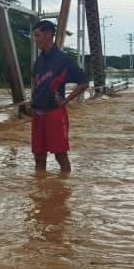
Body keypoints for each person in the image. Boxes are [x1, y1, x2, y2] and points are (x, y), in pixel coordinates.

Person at [30, 20, 89, 173]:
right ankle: (41, 192)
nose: (35, 40)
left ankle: (63, 193)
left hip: (55, 114)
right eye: (34, 36)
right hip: (37, 114)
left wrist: (66, 100)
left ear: (49, 34)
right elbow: (37, 85)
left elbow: (84, 82)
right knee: (39, 157)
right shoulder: (38, 62)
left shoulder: (63, 60)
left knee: (60, 156)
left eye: (38, 35)